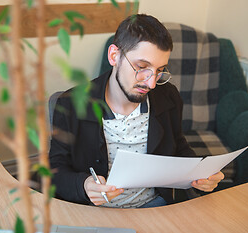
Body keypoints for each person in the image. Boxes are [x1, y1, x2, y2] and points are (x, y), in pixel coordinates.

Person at [49, 14, 224, 208]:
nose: (151, 83)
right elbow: (54, 170)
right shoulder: (70, 104)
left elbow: (178, 145)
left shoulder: (169, 97)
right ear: (114, 56)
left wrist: (200, 175)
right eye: (142, 67)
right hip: (95, 211)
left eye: (159, 71)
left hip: (155, 206)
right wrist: (84, 185)